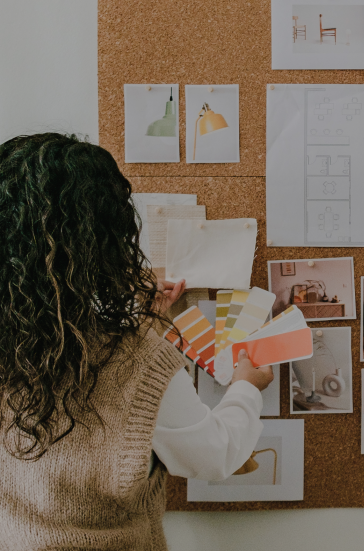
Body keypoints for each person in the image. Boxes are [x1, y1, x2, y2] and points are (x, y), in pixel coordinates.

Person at [0, 133, 273, 550]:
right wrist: (247, 387)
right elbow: (214, 454)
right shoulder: (135, 361)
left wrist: (143, 326)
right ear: (105, 243)